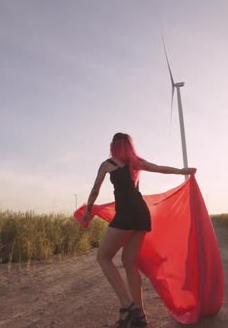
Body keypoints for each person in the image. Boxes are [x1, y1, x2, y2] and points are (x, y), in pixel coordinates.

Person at [83, 132, 196, 328]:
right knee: (128, 261)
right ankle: (140, 316)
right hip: (142, 213)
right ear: (129, 146)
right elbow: (159, 168)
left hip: (127, 213)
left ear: (113, 146)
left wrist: (87, 210)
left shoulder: (108, 164)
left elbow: (95, 189)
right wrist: (182, 170)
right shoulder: (135, 162)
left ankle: (129, 306)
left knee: (103, 257)